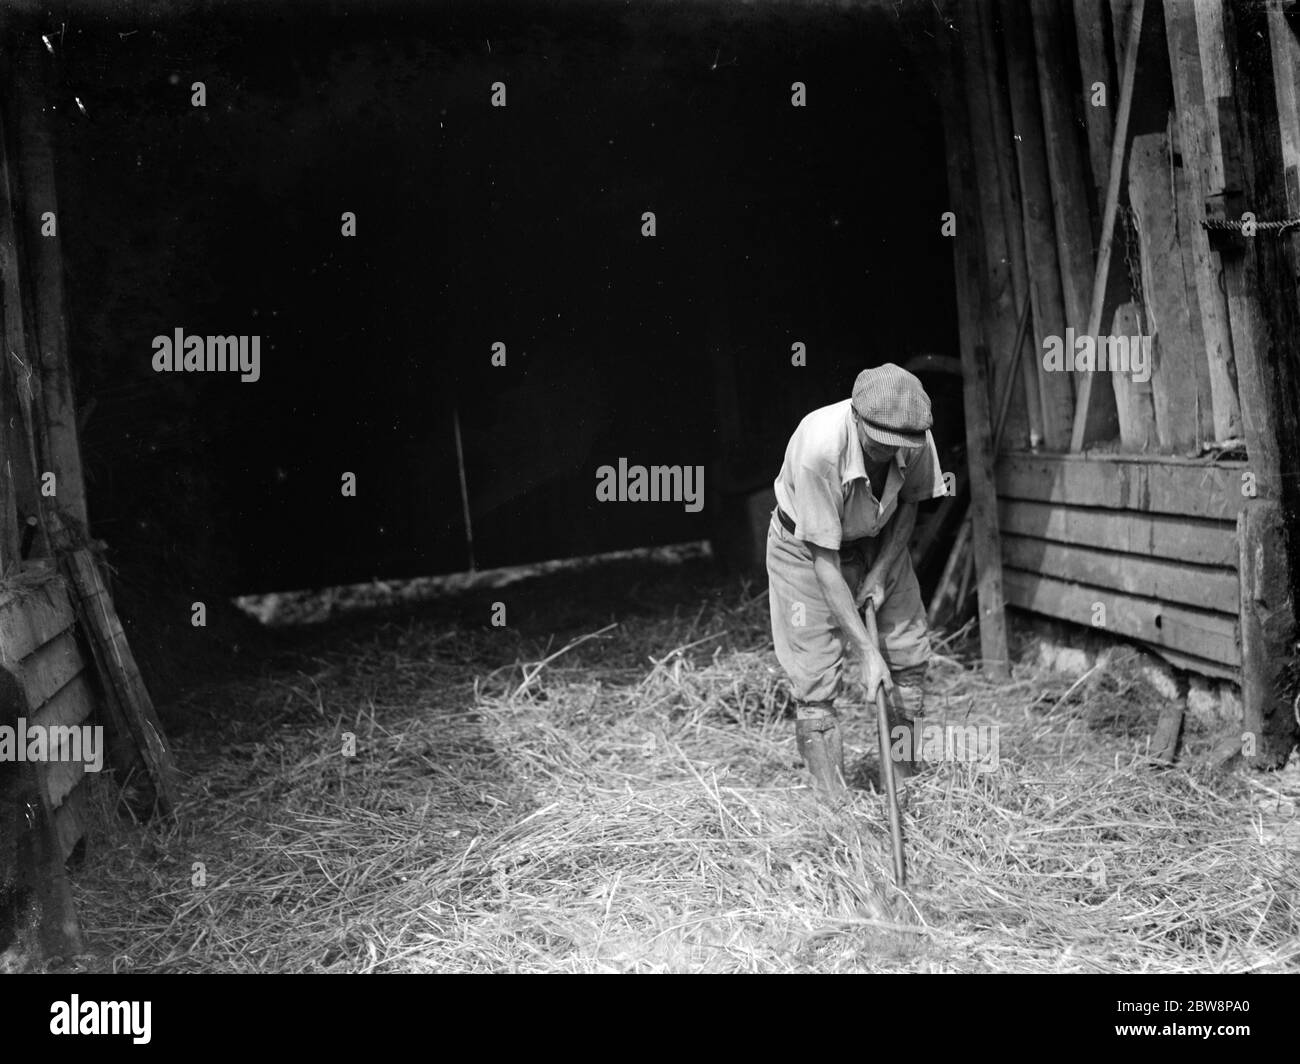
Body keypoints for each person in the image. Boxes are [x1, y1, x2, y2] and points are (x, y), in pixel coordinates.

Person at [766, 363, 947, 793]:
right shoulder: (819, 448)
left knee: (907, 655)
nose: (889, 452)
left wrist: (881, 572)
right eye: (880, 443)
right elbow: (825, 563)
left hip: (879, 537)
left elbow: (911, 505)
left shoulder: (917, 437)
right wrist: (867, 653)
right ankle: (832, 805)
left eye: (898, 445)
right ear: (857, 417)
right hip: (805, 546)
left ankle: (903, 783)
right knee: (815, 679)